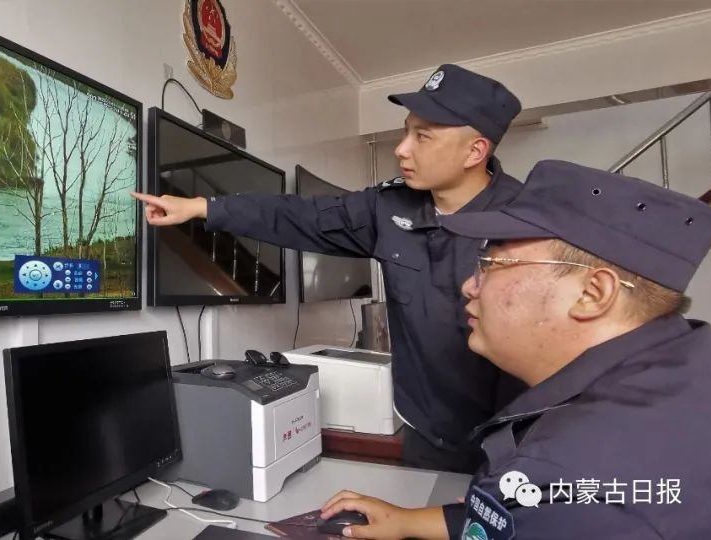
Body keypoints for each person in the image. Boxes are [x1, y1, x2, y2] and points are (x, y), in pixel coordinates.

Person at [132, 64, 526, 473]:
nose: (401, 149)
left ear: (475, 151)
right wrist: (202, 207)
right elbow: (298, 215)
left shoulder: (531, 222)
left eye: (422, 136)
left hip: (518, 438)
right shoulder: (388, 207)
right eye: (406, 131)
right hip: (429, 434)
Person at [318, 159, 711, 539]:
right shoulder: (684, 363)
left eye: (491, 263)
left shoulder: (570, 482)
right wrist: (412, 521)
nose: (469, 286)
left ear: (592, 293)